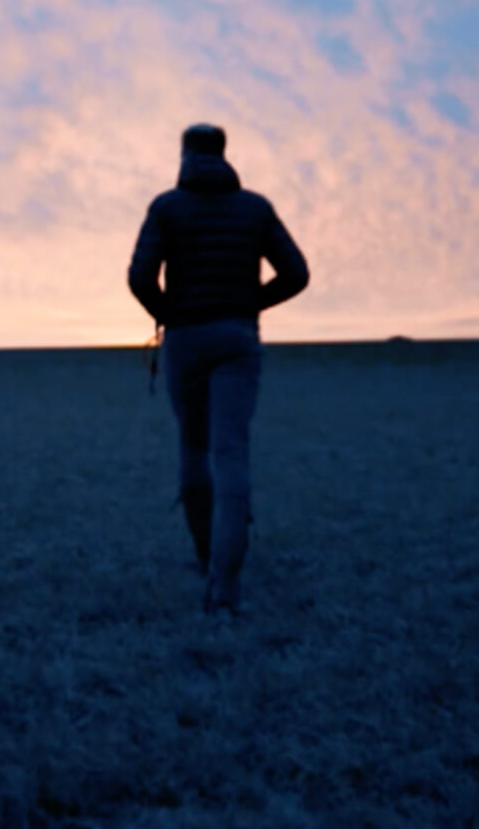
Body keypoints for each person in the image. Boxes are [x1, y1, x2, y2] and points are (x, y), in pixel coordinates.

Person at [127, 123, 309, 614]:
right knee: (232, 452)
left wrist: (168, 313)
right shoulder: (256, 208)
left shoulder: (166, 207)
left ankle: (206, 555)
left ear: (184, 154)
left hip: (185, 339)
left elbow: (139, 276)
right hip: (237, 338)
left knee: (193, 444)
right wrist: (251, 303)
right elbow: (297, 273)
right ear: (224, 154)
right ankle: (225, 583)